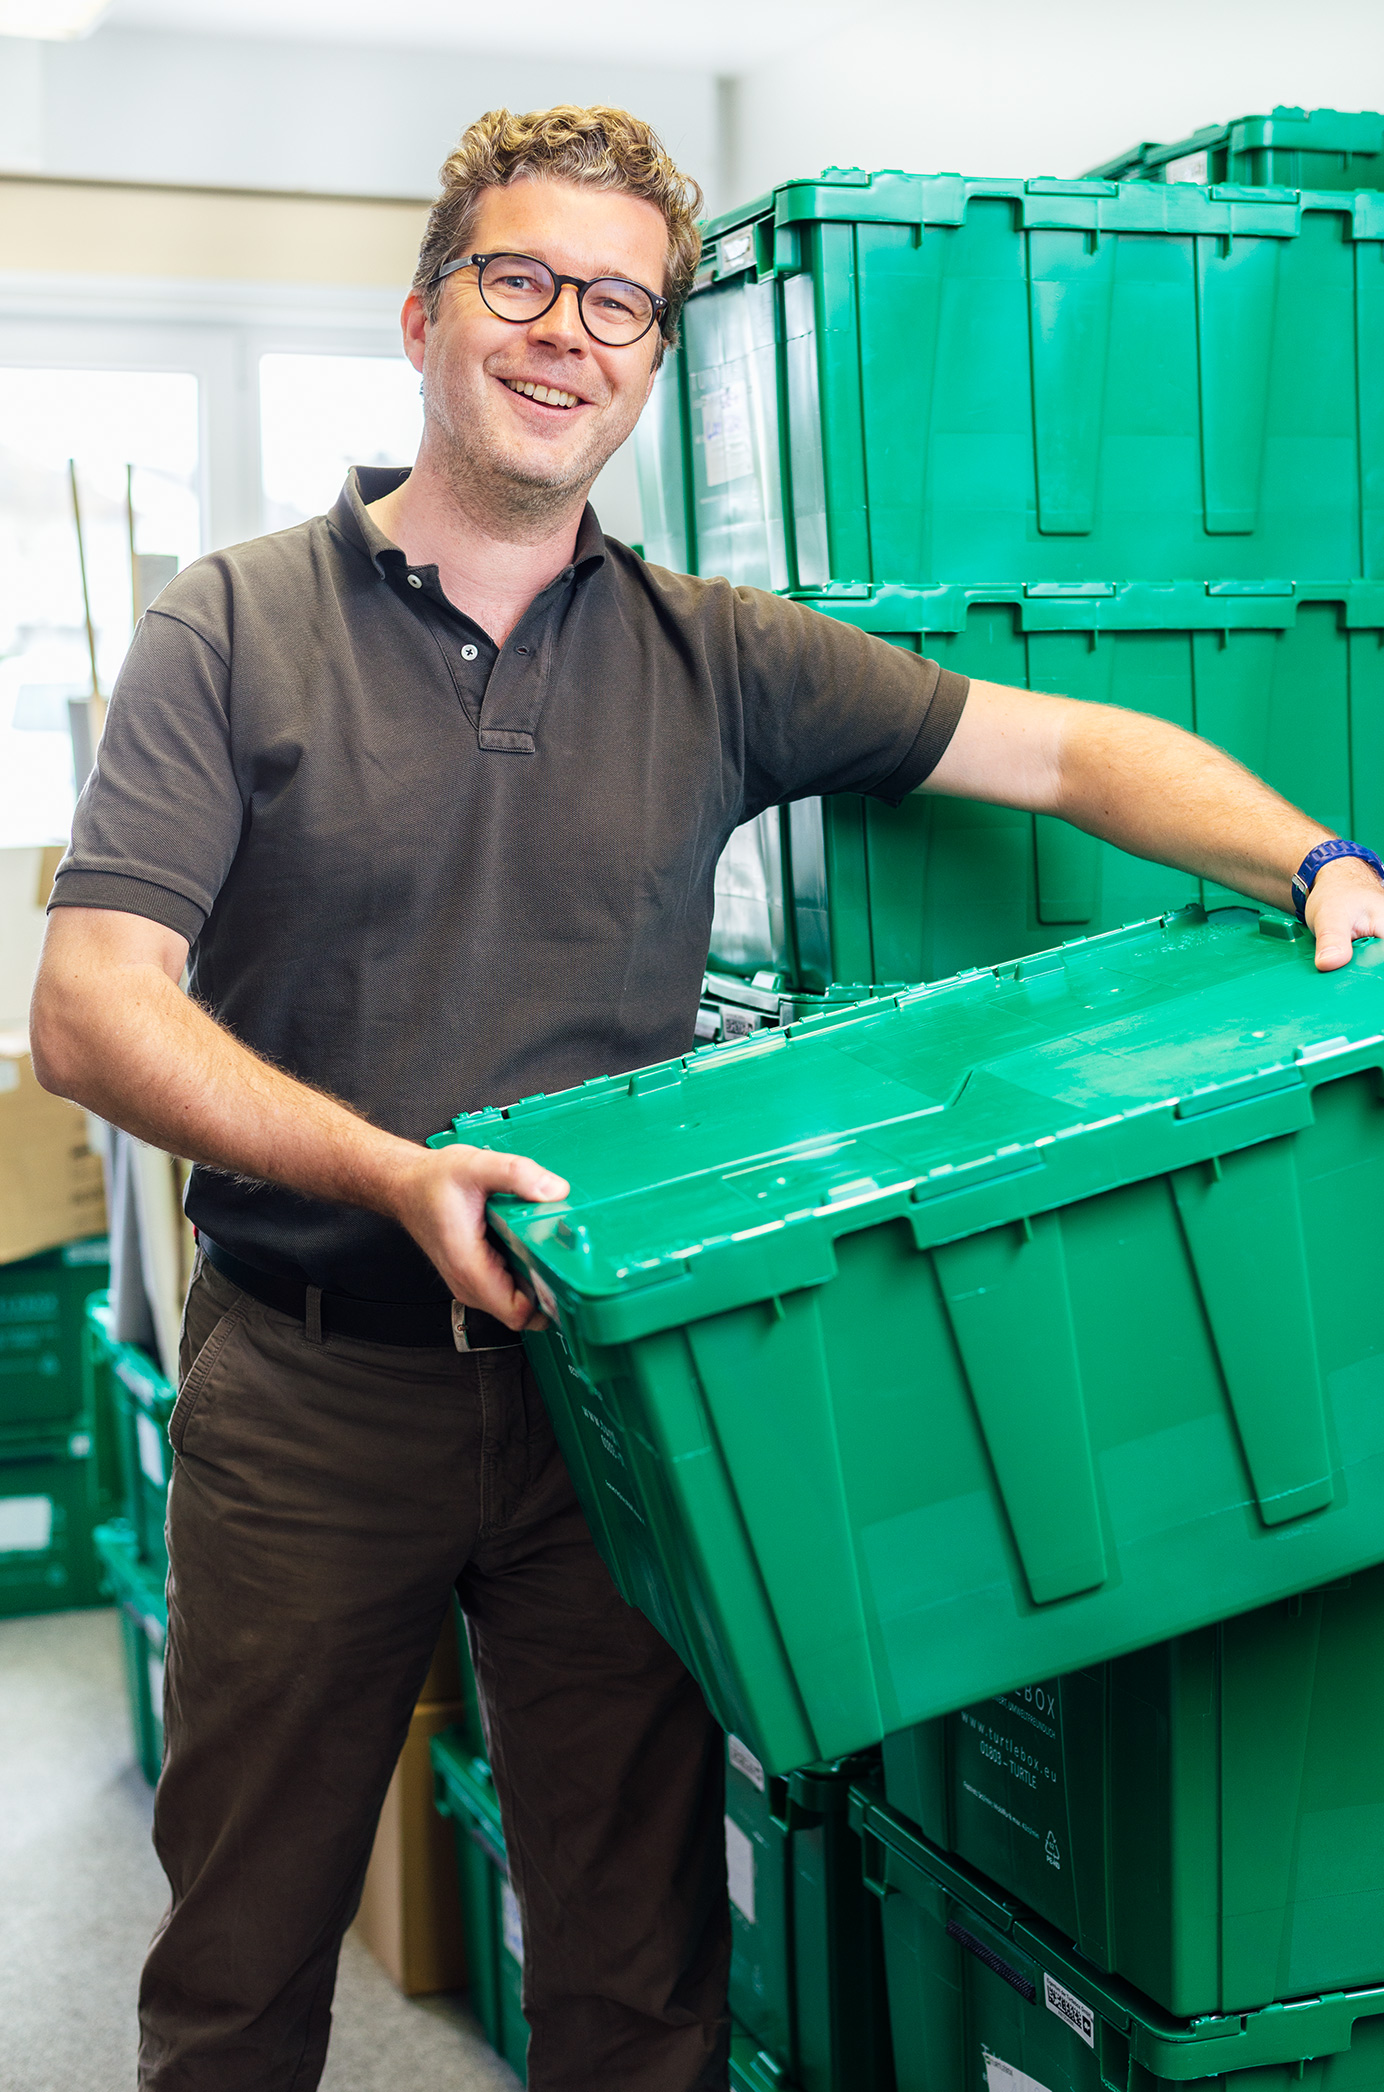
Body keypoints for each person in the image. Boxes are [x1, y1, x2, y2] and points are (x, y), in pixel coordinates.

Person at [29, 103, 1384, 2092]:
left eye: (617, 304)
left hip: (613, 1395)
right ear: (424, 314)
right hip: (317, 1392)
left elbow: (1067, 754)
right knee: (238, 1964)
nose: (563, 330)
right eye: (519, 280)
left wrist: (1314, 861)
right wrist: (390, 1169)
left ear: (654, 362)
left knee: (638, 1964)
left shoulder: (714, 656)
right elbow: (89, 1005)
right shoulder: (232, 626)